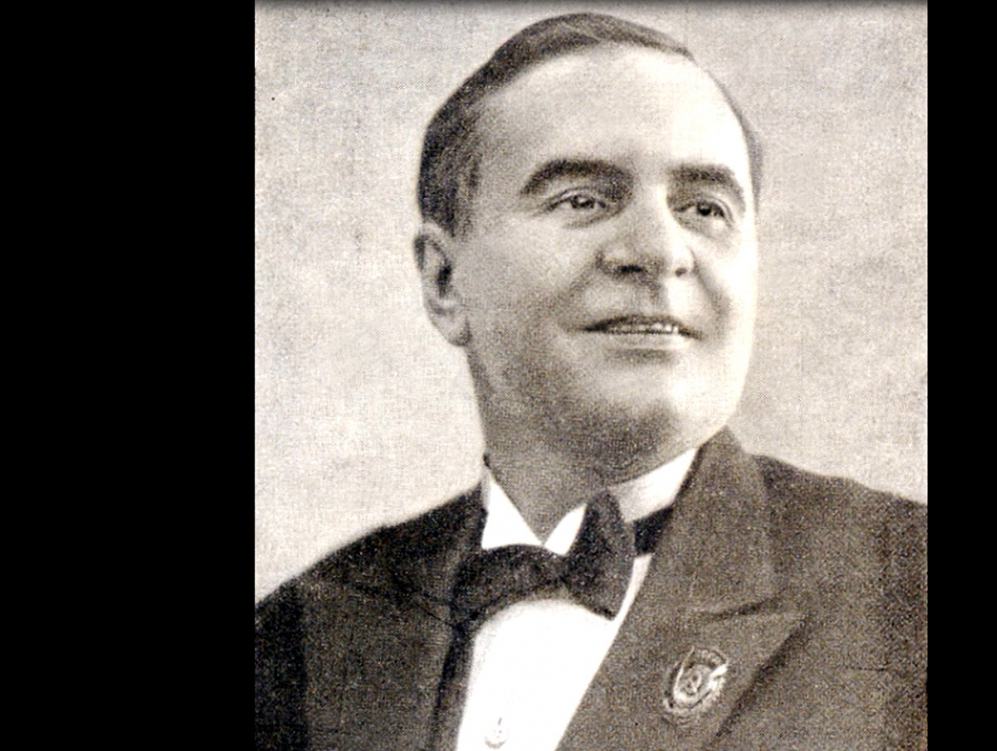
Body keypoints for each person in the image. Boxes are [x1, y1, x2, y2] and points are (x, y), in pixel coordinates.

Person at [255, 12, 926, 751]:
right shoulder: (300, 637)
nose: (660, 249)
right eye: (583, 199)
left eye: (705, 208)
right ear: (445, 282)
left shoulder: (904, 588)